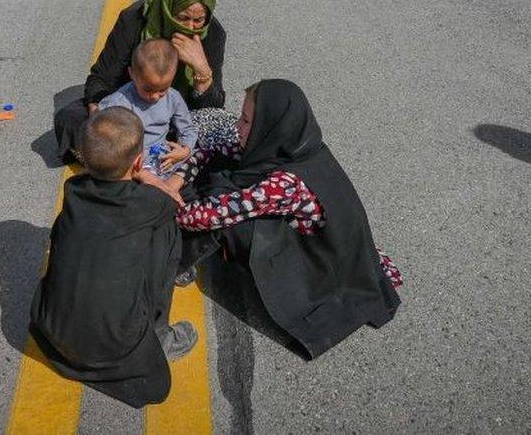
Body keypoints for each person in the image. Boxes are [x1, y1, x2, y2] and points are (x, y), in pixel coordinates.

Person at [166, 79, 403, 359]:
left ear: (270, 125)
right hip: (334, 246)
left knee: (226, 217)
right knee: (220, 175)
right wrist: (180, 176)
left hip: (322, 268)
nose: (237, 127)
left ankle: (172, 262)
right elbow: (215, 152)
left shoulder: (285, 184)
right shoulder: (295, 146)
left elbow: (213, 215)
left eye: (245, 121)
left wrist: (165, 208)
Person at [29, 107, 198, 408]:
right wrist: (155, 180)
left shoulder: (74, 190)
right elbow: (174, 202)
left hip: (52, 331)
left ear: (83, 156)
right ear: (138, 161)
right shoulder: (150, 203)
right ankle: (159, 333)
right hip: (113, 346)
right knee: (166, 232)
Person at [54, 0, 227, 162]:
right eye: (183, 17)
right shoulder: (134, 19)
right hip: (128, 109)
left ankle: (124, 158)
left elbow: (213, 106)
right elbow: (100, 79)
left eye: (198, 20)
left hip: (176, 114)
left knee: (222, 128)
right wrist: (101, 119)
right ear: (168, 8)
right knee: (70, 119)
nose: (190, 27)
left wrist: (201, 69)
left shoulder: (213, 34)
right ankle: (130, 156)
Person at [98, 38, 197, 185]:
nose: (155, 97)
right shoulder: (119, 102)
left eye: (162, 90)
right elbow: (100, 132)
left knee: (198, 157)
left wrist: (184, 150)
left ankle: (168, 189)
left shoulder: (173, 97)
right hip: (134, 163)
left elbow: (187, 129)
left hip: (165, 158)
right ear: (132, 74)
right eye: (148, 90)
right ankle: (162, 191)